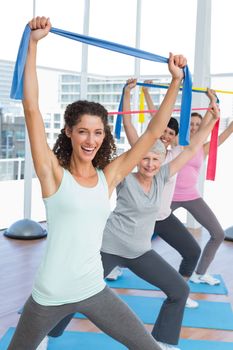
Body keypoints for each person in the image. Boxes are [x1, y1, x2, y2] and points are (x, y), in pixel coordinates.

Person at [8, 17, 187, 350]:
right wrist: (33, 45)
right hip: (49, 295)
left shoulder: (109, 176)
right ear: (69, 132)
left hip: (93, 289)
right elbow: (31, 108)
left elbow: (150, 134)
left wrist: (175, 81)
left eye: (98, 132)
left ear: (104, 136)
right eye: (83, 131)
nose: (91, 140)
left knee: (148, 347)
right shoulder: (53, 174)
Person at [48, 80, 220, 350]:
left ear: (161, 160)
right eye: (145, 159)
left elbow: (190, 148)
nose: (150, 164)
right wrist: (127, 97)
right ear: (138, 159)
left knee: (179, 290)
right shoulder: (124, 178)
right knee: (76, 292)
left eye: (155, 159)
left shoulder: (163, 175)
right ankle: (48, 335)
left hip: (141, 252)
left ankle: (164, 342)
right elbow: (131, 133)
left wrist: (212, 116)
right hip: (110, 247)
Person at [107, 80, 204, 309]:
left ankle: (180, 289)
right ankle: (113, 265)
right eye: (164, 130)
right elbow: (133, 122)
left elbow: (194, 144)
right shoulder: (143, 148)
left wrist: (211, 114)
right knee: (122, 249)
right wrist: (129, 94)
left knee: (191, 251)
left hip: (161, 216)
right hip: (137, 218)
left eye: (171, 133)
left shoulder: (172, 157)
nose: (166, 135)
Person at [171, 111, 233, 285]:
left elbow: (225, 134)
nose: (194, 127)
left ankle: (200, 273)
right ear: (184, 126)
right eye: (191, 124)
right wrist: (145, 92)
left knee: (218, 234)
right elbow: (158, 121)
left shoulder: (204, 147)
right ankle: (118, 265)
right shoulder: (177, 142)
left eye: (198, 125)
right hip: (170, 197)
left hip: (192, 196)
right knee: (144, 229)